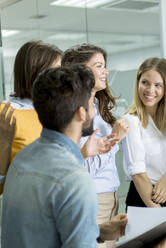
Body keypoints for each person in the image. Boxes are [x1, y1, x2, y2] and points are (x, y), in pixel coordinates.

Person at [1, 65, 127, 247]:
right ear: (81, 113)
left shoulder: (22, 159)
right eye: (91, 101)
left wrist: (96, 231)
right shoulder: (74, 180)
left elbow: (42, 232)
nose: (94, 107)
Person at [0, 40, 115, 195]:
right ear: (39, 73)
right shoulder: (7, 112)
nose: (64, 77)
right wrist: (4, 145)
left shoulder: (59, 110)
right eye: (57, 70)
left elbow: (64, 165)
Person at [61, 44, 129, 248]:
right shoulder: (74, 113)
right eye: (98, 65)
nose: (105, 71)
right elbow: (83, 168)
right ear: (80, 71)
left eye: (105, 66)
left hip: (111, 197)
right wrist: (115, 138)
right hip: (93, 198)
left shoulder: (98, 106)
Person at [122, 57, 166, 209]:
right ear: (138, 83)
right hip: (143, 197)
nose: (150, 90)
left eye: (158, 85)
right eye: (145, 83)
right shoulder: (131, 121)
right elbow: (137, 173)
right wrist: (157, 211)